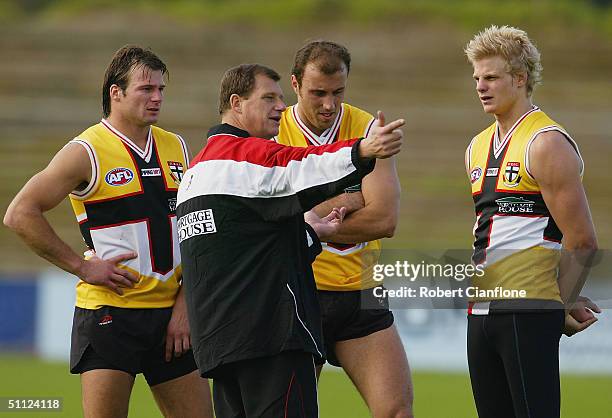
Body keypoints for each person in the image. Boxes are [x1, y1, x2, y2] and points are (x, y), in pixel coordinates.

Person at [176, 63, 404, 418]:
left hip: (219, 345)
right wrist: (363, 150)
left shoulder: (194, 173)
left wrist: (313, 232)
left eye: (281, 99)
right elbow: (304, 164)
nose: (280, 107)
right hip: (270, 338)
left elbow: (245, 250)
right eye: (268, 98)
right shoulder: (248, 157)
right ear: (236, 104)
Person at [4, 45, 213, 418]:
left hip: (172, 319)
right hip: (111, 316)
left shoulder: (177, 146)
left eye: (161, 89)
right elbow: (20, 213)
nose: (157, 98)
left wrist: (185, 303)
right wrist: (82, 267)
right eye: (146, 89)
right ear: (116, 93)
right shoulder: (86, 151)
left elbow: (195, 230)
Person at [464, 25, 600, 418]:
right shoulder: (477, 146)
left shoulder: (546, 142)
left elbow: (582, 240)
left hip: (527, 309)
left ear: (520, 78)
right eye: (477, 78)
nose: (481, 86)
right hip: (480, 309)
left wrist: (561, 302)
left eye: (491, 77)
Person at [275, 40, 413, 417]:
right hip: (297, 296)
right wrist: (353, 199)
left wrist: (314, 223)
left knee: (397, 411)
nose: (328, 105)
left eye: (338, 93)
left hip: (359, 292)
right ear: (295, 84)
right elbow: (270, 215)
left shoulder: (369, 128)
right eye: (318, 93)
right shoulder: (273, 131)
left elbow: (384, 220)